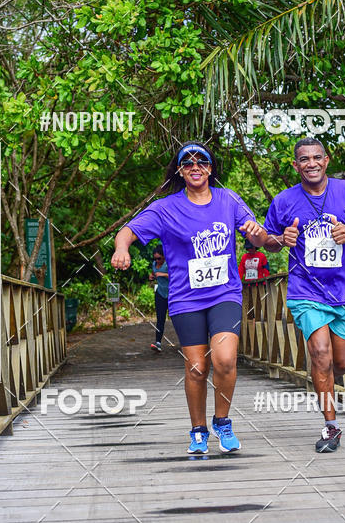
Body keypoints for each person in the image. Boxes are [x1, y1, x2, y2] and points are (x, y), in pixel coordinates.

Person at [111, 141, 267, 455]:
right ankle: (198, 430)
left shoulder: (229, 199)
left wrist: (256, 232)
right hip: (186, 298)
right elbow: (128, 230)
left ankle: (222, 422)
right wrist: (121, 248)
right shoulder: (165, 208)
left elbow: (259, 237)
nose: (195, 167)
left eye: (202, 162)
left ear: (210, 168)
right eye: (188, 163)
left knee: (224, 360)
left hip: (224, 293)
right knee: (197, 367)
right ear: (181, 171)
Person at [263, 137, 345, 452]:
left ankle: (323, 378)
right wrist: (280, 238)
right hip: (305, 290)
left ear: (326, 161)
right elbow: (268, 239)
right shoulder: (284, 201)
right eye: (304, 159)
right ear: (295, 165)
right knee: (321, 355)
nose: (311, 163)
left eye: (317, 157)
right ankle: (332, 427)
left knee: (340, 363)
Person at [149, 245, 169, 351]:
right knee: (160, 319)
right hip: (160, 293)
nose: (157, 260)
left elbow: (176, 275)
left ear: (164, 256)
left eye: (159, 258)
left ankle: (187, 343)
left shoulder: (169, 263)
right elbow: (154, 274)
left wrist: (162, 274)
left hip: (172, 294)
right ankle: (158, 342)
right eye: (155, 258)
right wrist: (151, 277)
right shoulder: (154, 264)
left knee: (177, 319)